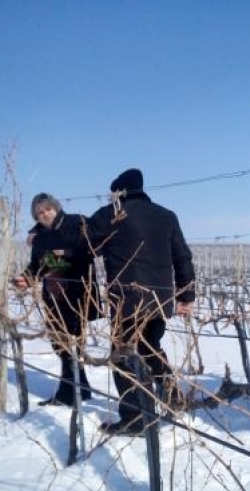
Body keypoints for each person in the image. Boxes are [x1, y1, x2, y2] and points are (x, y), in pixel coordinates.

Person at [85, 168, 195, 435]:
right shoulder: (166, 216)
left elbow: (86, 245)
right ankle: (173, 398)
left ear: (119, 191)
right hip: (159, 300)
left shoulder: (112, 214)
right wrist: (186, 295)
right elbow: (182, 257)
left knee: (123, 355)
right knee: (150, 347)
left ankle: (135, 419)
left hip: (126, 300)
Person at [12, 193, 100, 407]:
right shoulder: (40, 236)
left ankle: (69, 393)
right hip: (53, 295)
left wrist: (62, 255)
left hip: (77, 292)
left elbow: (90, 251)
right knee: (59, 343)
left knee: (72, 342)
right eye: (39, 213)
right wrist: (27, 278)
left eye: (48, 209)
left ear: (56, 207)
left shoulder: (77, 222)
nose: (45, 215)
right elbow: (38, 265)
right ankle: (80, 388)